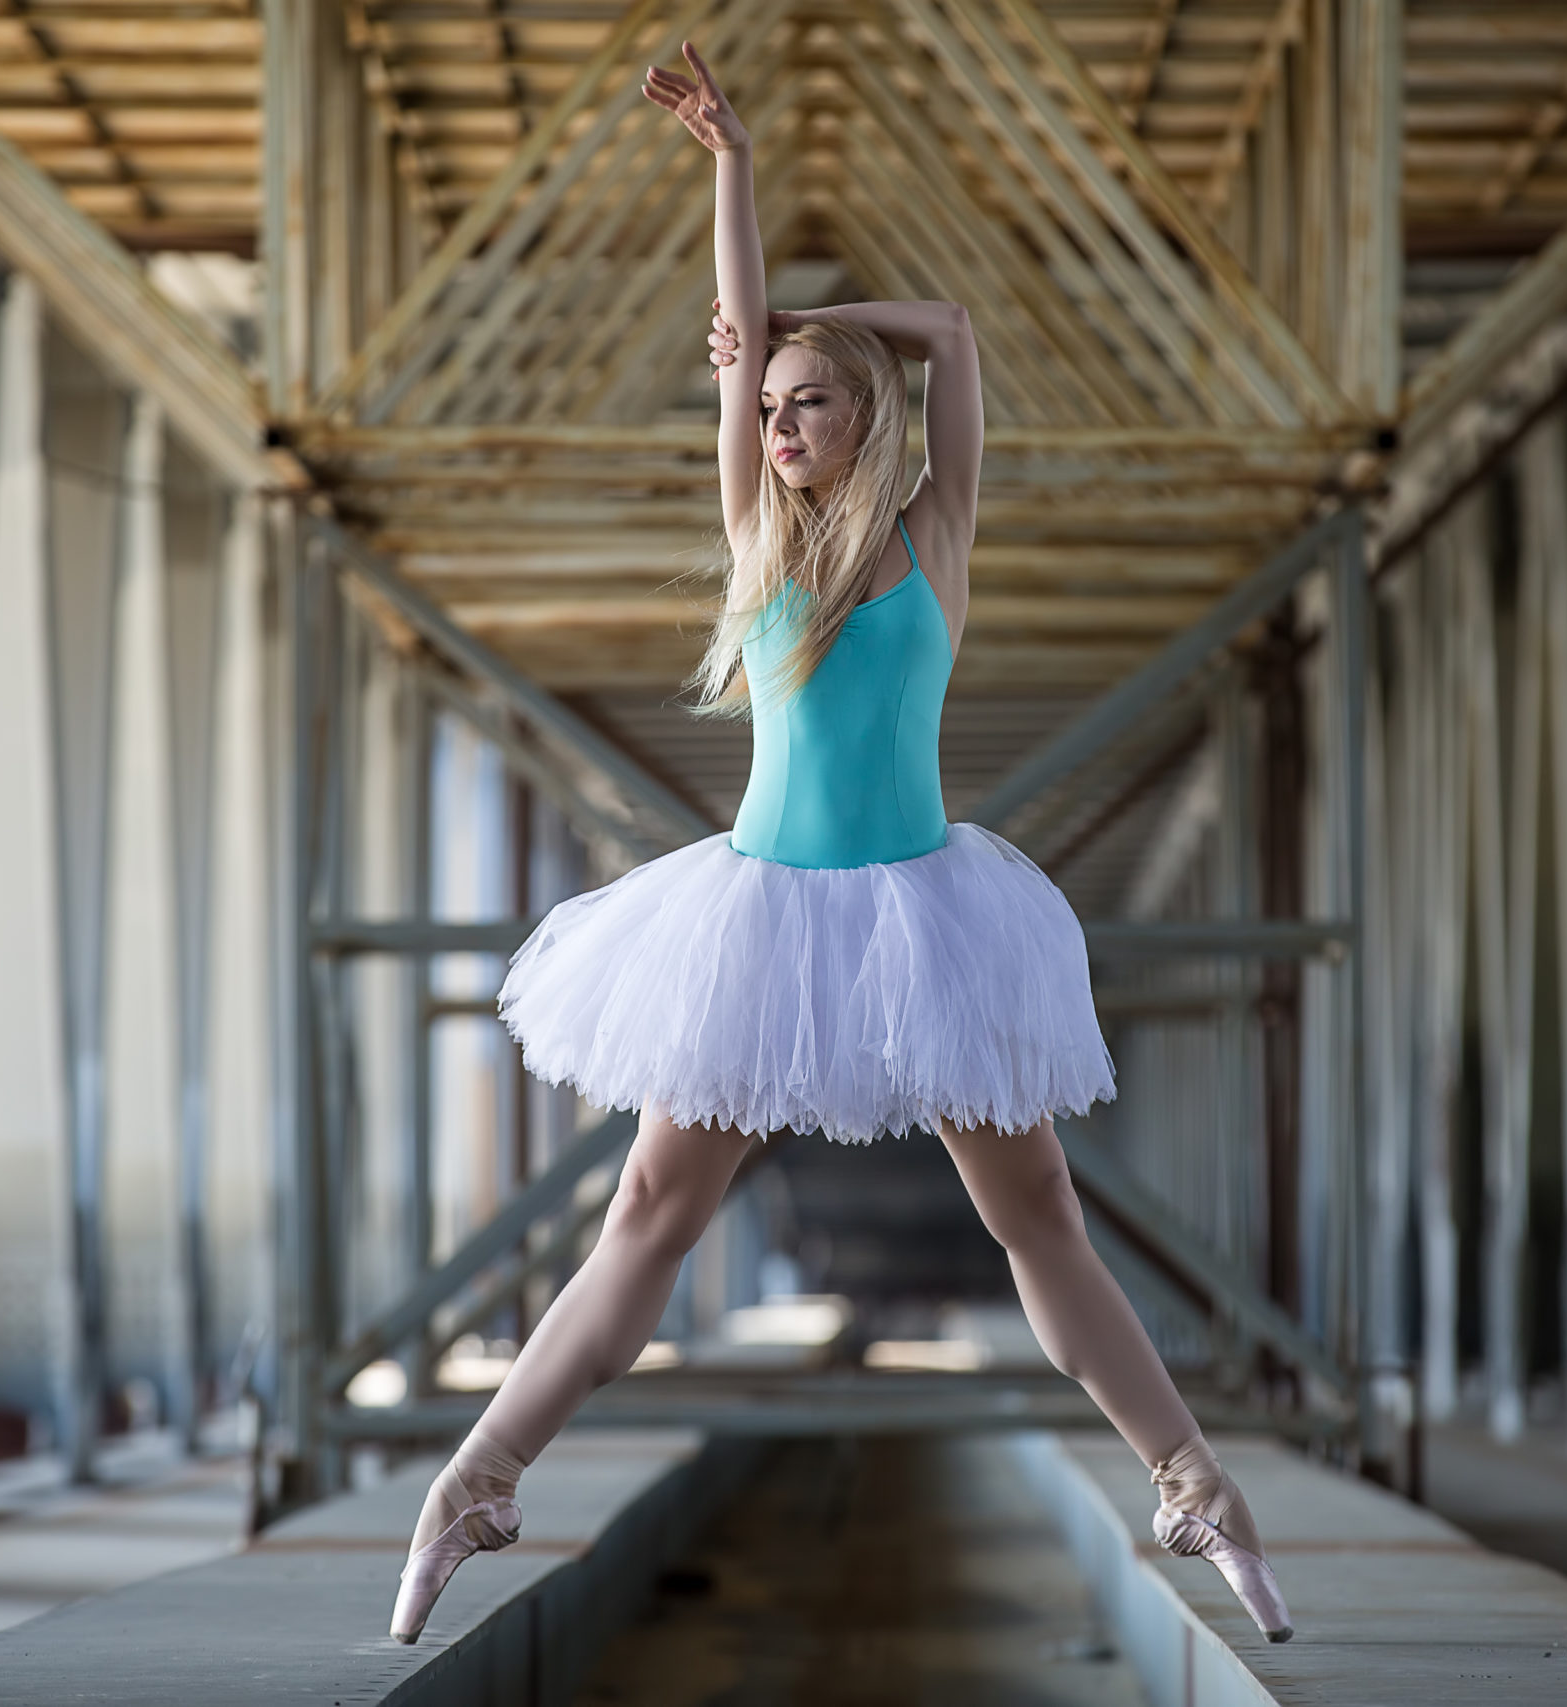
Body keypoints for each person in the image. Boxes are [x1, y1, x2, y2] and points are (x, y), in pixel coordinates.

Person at [388, 42, 1293, 1647]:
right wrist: (729, 168)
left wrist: (834, 333)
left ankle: (1193, 1484)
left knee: (1042, 1221)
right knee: (650, 1220)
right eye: (772, 406)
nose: (785, 423)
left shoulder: (934, 538)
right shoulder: (760, 542)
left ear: (863, 419)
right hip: (758, 918)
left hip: (927, 914)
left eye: (812, 407)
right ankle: (475, 1477)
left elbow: (949, 336)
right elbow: (746, 373)